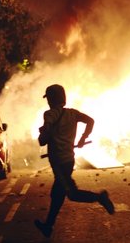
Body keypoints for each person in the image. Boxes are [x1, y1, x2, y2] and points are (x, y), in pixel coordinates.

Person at [34, 84, 115, 238]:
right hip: (69, 160)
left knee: (71, 194)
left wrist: (42, 134)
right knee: (57, 194)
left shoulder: (49, 115)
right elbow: (90, 121)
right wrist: (83, 137)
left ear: (51, 99)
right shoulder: (73, 114)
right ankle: (48, 226)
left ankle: (100, 197)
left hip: (59, 162)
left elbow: (43, 140)